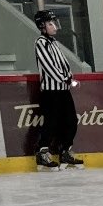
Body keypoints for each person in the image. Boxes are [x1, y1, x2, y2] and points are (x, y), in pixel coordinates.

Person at [33, 9, 84, 171]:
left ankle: (65, 151)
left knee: (71, 121)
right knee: (51, 123)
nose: (55, 26)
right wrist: (68, 79)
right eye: (50, 23)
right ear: (42, 26)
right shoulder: (40, 43)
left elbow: (64, 65)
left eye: (54, 23)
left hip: (63, 90)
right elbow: (49, 68)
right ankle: (42, 153)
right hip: (51, 92)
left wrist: (69, 77)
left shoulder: (54, 43)